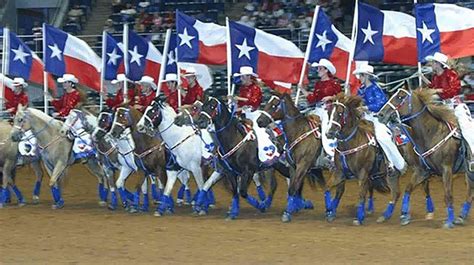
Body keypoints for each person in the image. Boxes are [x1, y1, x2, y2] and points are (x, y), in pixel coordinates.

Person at [353, 64, 406, 173]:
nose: (360, 78)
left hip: (377, 117)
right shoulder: (361, 90)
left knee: (382, 137)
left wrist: (366, 107)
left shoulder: (375, 88)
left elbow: (381, 104)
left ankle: (394, 163)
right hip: (364, 117)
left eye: (361, 76)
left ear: (366, 76)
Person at [233, 66, 278, 164]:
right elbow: (241, 105)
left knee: (259, 131)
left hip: (254, 114)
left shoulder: (256, 88)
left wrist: (239, 99)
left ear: (248, 77)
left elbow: (255, 101)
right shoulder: (241, 89)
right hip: (243, 115)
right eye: (241, 77)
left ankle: (267, 153)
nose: (241, 79)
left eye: (242, 77)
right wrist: (235, 105)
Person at [302, 59, 341, 159]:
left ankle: (331, 152)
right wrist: (302, 90)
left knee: (325, 126)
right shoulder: (318, 84)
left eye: (320, 68)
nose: (318, 70)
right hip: (318, 109)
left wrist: (331, 98)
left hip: (329, 110)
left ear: (326, 70)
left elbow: (341, 97)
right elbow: (313, 99)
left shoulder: (334, 83)